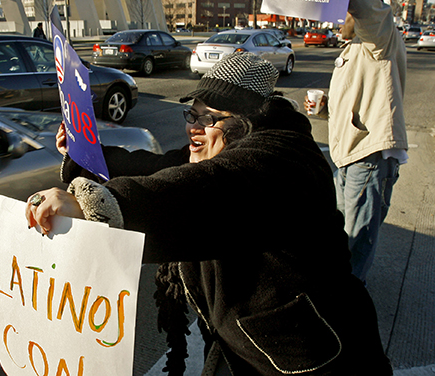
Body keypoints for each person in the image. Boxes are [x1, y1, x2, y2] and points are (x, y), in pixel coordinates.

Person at [26, 52, 392, 375]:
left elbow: (204, 189)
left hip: (317, 358)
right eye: (192, 113)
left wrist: (96, 205)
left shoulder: (283, 159)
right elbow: (157, 169)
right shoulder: (214, 152)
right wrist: (86, 156)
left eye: (208, 118)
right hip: (245, 349)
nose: (193, 128)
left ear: (245, 124)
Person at [304, 0, 408, 283]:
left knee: (356, 236)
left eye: (344, 10)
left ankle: (346, 298)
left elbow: (370, 9)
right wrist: (324, 108)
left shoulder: (381, 39)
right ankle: (337, 288)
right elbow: (356, 101)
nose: (340, 17)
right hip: (350, 153)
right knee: (339, 229)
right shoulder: (355, 48)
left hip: (369, 155)